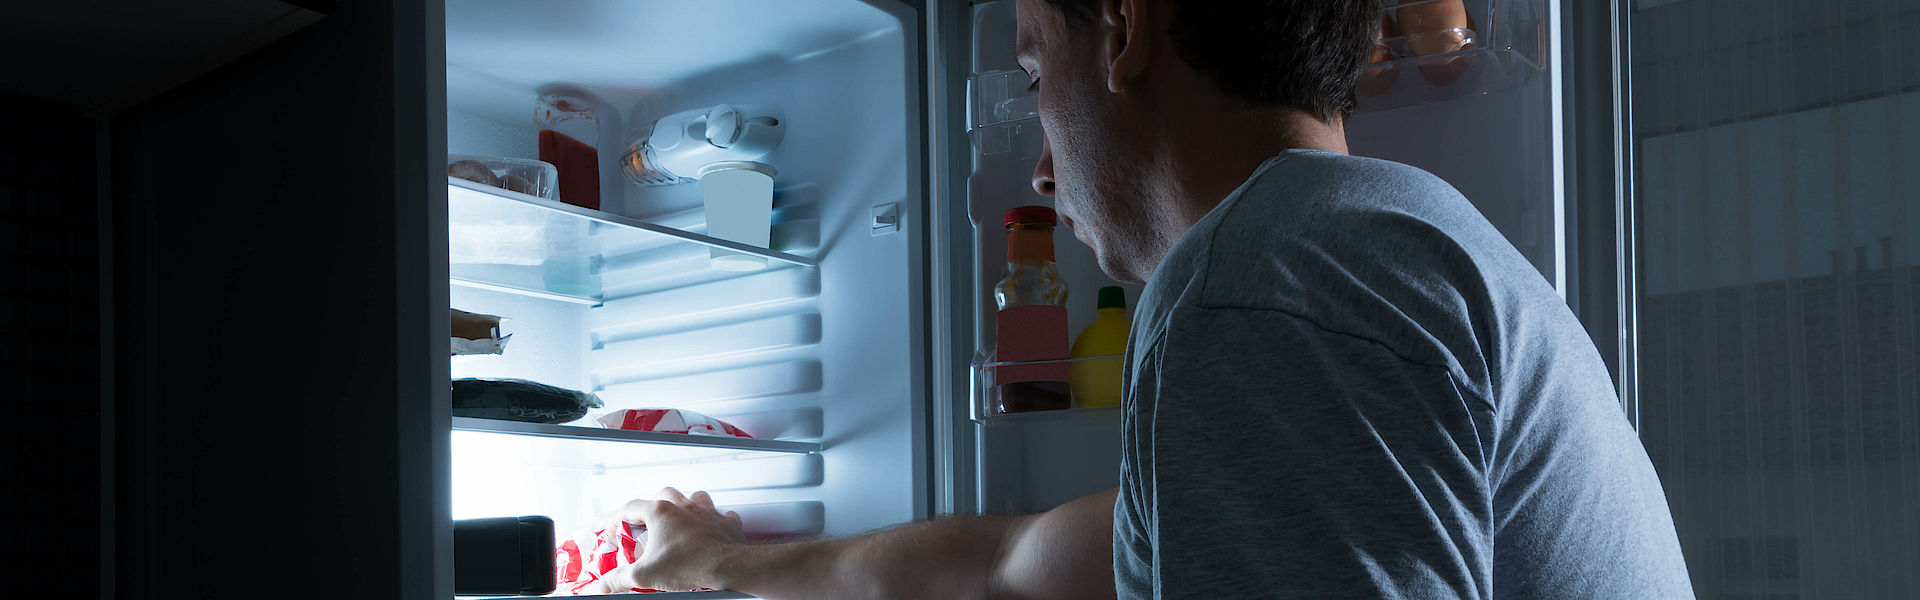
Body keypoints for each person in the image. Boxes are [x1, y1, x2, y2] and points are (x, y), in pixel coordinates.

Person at [599, 0, 1696, 598]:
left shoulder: (1265, 283)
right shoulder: (1372, 233)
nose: (1037, 168)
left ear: (1122, 32)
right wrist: (714, 561)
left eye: (1036, 75)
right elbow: (1006, 569)